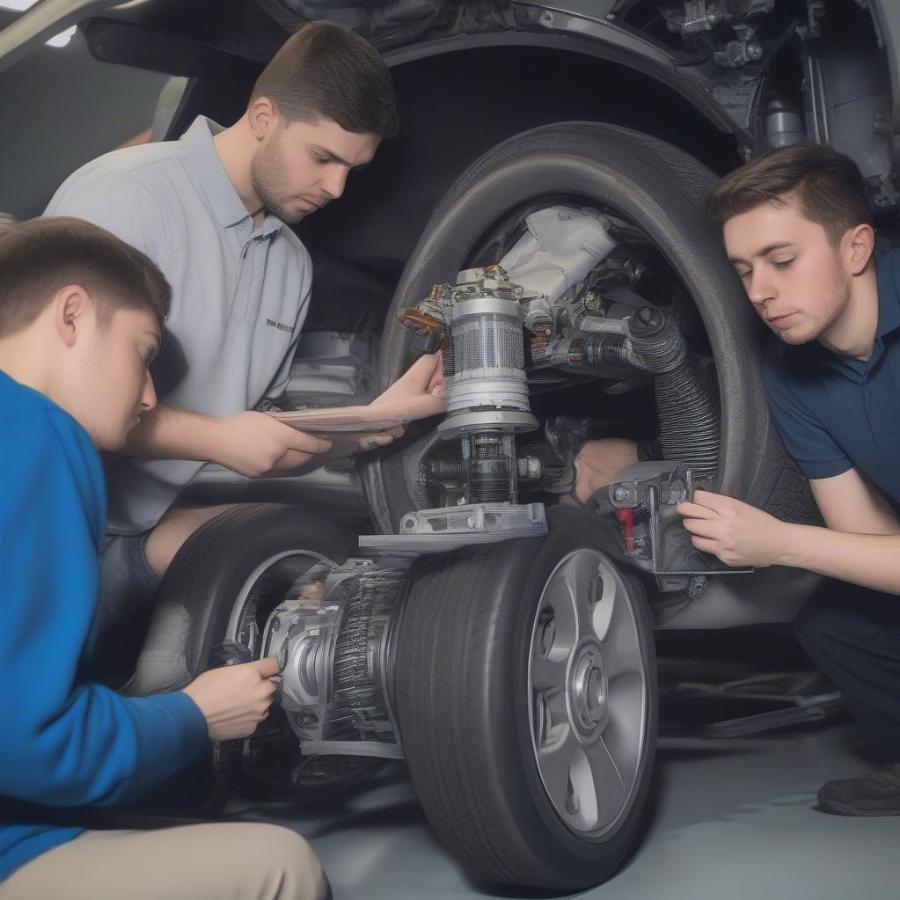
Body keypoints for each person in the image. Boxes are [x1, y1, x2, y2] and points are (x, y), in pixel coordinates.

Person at [44, 20, 445, 680]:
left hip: (142, 531)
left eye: (353, 168)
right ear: (263, 116)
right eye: (324, 158)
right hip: (48, 530)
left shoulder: (291, 266)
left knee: (313, 551)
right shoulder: (127, 199)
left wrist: (369, 424)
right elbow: (51, 405)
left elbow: (252, 433)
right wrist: (218, 438)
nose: (337, 189)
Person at [0, 217, 326, 899]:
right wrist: (195, 715)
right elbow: (33, 746)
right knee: (284, 865)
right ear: (72, 314)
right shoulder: (36, 433)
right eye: (142, 352)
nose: (148, 395)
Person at [671, 144, 899, 816]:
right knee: (837, 619)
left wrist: (781, 543)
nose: (759, 293)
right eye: (744, 270)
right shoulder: (790, 371)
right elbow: (869, 544)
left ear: (855, 249)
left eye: (782, 260)